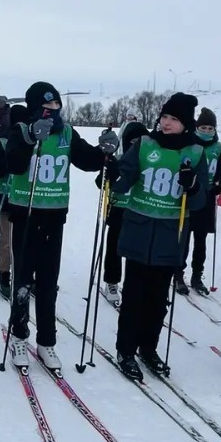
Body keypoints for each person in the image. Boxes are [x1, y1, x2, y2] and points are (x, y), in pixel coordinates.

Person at [0, 81, 112, 371]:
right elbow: (12, 165)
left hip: (53, 215)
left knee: (49, 282)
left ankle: (47, 341)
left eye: (55, 106)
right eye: (45, 107)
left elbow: (87, 160)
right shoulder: (21, 129)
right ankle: (20, 336)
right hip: (26, 214)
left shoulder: (66, 132)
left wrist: (105, 151)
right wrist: (28, 140)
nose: (51, 112)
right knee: (23, 281)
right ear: (35, 108)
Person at [109, 93, 205, 379]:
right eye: (164, 117)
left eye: (174, 119)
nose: (166, 123)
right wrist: (114, 178)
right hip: (139, 229)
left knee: (158, 298)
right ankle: (125, 349)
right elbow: (125, 176)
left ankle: (148, 348)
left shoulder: (195, 152)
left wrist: (194, 185)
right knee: (134, 296)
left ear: (186, 123)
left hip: (170, 235)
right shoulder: (144, 144)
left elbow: (200, 201)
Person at [177, 106, 221, 294]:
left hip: (207, 197)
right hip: (188, 195)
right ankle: (178, 274)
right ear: (196, 128)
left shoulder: (218, 147)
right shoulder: (189, 144)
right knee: (183, 238)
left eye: (210, 129)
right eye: (203, 128)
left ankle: (197, 275)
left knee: (201, 239)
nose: (207, 132)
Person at [97, 120, 147, 306]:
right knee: (114, 248)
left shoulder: (147, 161)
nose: (135, 145)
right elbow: (99, 182)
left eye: (139, 142)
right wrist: (107, 172)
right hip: (118, 210)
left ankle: (136, 284)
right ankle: (111, 281)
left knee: (137, 250)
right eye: (132, 142)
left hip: (139, 212)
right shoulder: (118, 160)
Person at [0, 103, 28, 300]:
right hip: (6, 197)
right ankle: (4, 275)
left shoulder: (30, 141)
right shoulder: (2, 142)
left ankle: (28, 276)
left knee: (27, 240)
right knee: (7, 241)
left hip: (25, 198)